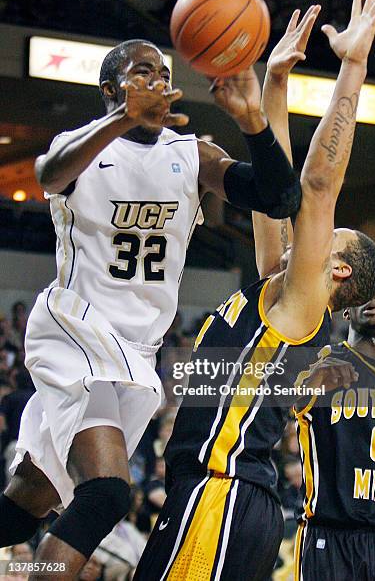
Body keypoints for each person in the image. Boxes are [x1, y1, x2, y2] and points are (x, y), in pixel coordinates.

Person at [0, 29, 303, 578]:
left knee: (27, 503)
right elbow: (49, 173)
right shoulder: (85, 146)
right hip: (77, 327)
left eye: (163, 75)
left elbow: (279, 197)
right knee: (109, 495)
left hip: (137, 351)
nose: (158, 83)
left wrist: (253, 120)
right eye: (143, 74)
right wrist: (122, 119)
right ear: (110, 88)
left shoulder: (191, 154)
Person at [134, 0, 375, 580]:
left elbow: (317, 185)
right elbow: (275, 194)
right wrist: (274, 85)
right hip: (208, 495)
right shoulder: (278, 286)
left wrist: (352, 64)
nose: (315, 234)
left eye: (332, 238)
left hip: (224, 496)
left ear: (339, 270)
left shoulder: (304, 304)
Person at [293, 275, 375, 581]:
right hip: (331, 536)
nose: (374, 298)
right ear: (346, 310)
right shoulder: (319, 365)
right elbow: (276, 399)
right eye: (365, 293)